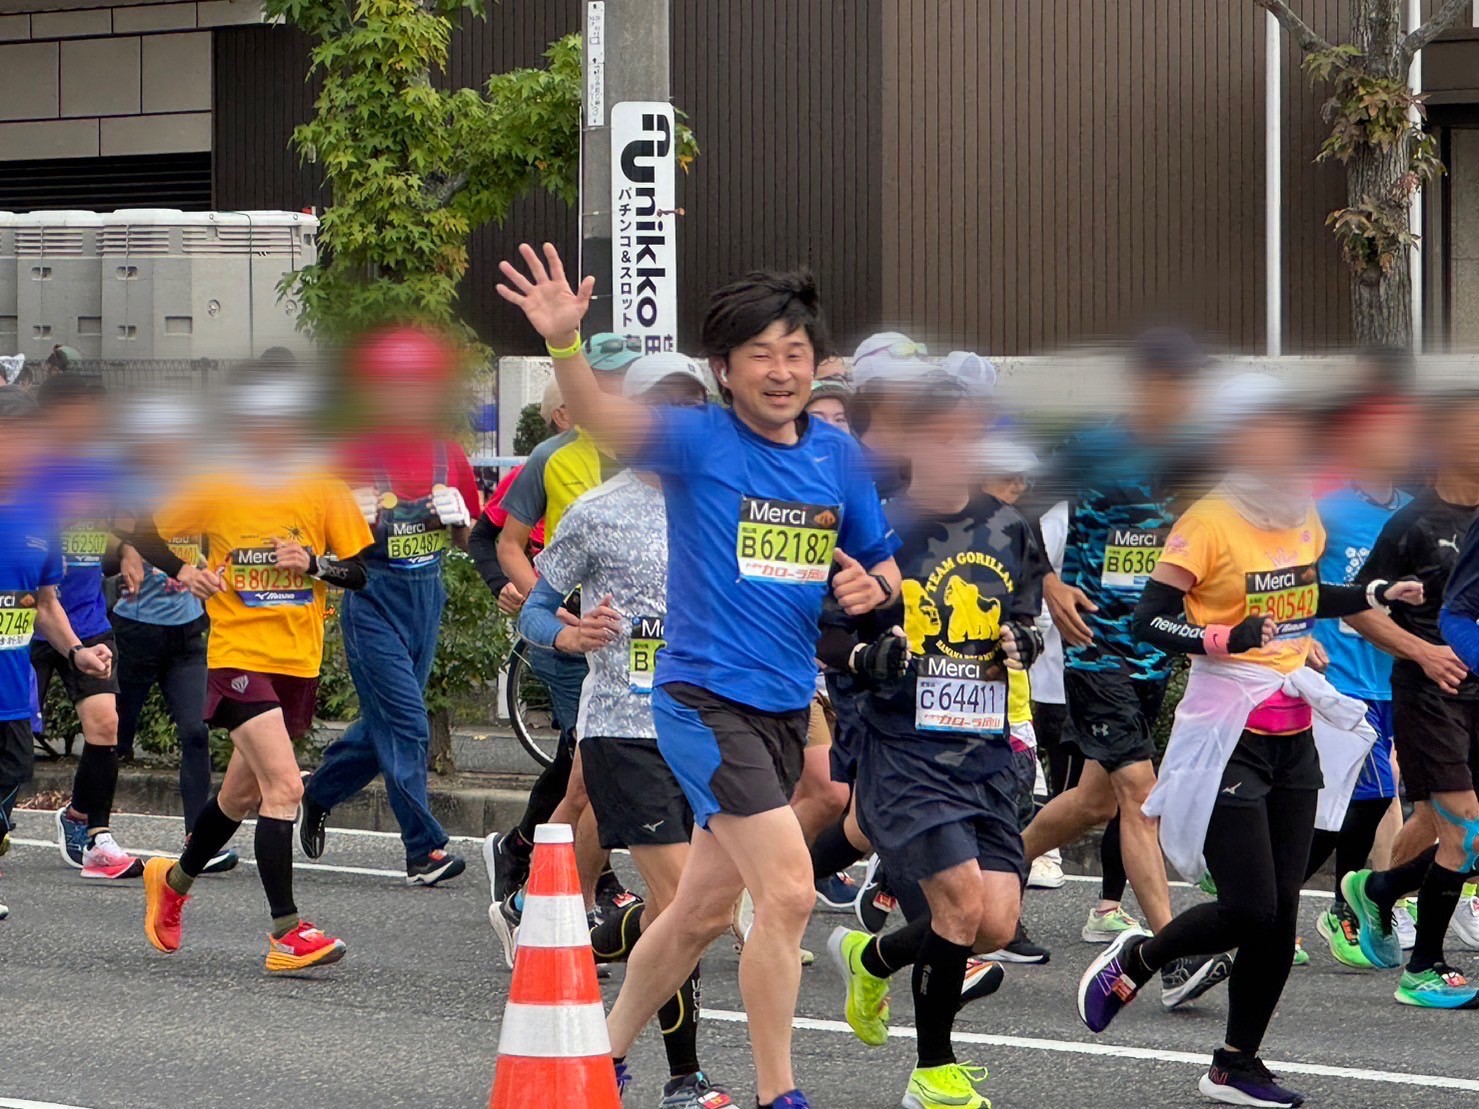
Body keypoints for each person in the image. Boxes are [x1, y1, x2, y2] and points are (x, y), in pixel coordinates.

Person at [497, 242, 900, 1109]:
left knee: (699, 911)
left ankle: (598, 1056)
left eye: (795, 352)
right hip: (701, 700)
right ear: (723, 369)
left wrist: (875, 586)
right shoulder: (697, 439)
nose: (781, 371)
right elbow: (602, 418)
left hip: (785, 702)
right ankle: (777, 1092)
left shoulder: (836, 456)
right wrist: (564, 342)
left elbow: (879, 563)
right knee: (787, 891)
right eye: (760, 354)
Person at [1078, 371, 1423, 1107]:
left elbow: (1303, 595)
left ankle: (1235, 1064)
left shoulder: (1301, 513)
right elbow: (1148, 617)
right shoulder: (1209, 518)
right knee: (1249, 908)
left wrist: (1374, 594)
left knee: (1281, 911)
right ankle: (1140, 958)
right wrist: (1222, 636)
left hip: (1293, 731)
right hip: (1226, 729)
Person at [821, 380, 1043, 1109]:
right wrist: (866, 658)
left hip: (983, 747)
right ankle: (933, 1072)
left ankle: (873, 956)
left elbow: (1025, 618)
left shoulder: (1010, 527)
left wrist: (1024, 640)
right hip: (904, 748)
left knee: (994, 922)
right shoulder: (877, 528)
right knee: (957, 904)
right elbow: (822, 633)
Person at [518, 352, 727, 1108]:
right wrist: (569, 635)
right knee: (687, 904)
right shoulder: (597, 510)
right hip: (623, 729)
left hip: (709, 730)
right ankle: (682, 1077)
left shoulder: (727, 502)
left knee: (697, 910)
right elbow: (533, 610)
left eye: (690, 405)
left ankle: (612, 941)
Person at [135, 371, 375, 973]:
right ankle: (286, 933)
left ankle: (173, 882)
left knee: (240, 795)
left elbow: (360, 572)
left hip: (297, 662)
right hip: (238, 656)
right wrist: (186, 571)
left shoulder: (324, 486)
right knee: (286, 787)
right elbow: (140, 527)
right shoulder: (218, 482)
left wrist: (313, 563)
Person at [1018, 328, 1230, 1007]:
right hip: (1094, 646)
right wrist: (1049, 583)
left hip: (1152, 649)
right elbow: (1013, 515)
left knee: (1093, 801)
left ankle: (995, 867)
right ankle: (1169, 956)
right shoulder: (1092, 447)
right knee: (1141, 793)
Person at [299, 327, 481, 886]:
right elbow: (316, 550)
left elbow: (467, 539)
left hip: (426, 598)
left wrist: (460, 521)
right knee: (407, 722)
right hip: (371, 601)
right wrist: (345, 522)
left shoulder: (449, 453)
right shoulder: (351, 455)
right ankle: (423, 850)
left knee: (385, 725)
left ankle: (317, 792)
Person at [482, 334, 640, 926]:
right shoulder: (552, 455)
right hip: (574, 640)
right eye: (606, 382)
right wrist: (544, 602)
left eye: (628, 382)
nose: (617, 393)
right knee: (588, 775)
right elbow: (503, 542)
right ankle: (560, 898)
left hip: (642, 648)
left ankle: (530, 871)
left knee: (585, 777)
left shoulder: (657, 454)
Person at [1341, 391, 1479, 1004]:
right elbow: (1357, 608)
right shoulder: (1413, 524)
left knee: (1454, 829)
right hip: (1429, 692)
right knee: (1465, 829)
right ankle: (1423, 968)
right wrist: (1422, 651)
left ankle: (1378, 890)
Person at [1305, 396, 1423, 967]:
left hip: (1393, 678)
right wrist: (1302, 636)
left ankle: (1282, 900)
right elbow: (1294, 576)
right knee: (1371, 793)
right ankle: (1340, 907)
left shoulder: (1415, 514)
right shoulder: (1325, 509)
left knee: (1344, 806)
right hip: (1339, 679)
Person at [0, 386, 115, 918]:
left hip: (11, 691)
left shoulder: (38, 518)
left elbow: (45, 603)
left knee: (12, 776)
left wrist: (76, 652)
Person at [112, 401, 236, 874]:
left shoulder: (201, 489)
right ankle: (86, 821)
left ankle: (198, 840)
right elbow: (128, 536)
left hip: (187, 633)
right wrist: (127, 549)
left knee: (196, 732)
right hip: (136, 630)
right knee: (115, 738)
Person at [31, 373, 144, 879]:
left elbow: (111, 535)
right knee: (11, 738)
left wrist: (129, 549)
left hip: (87, 618)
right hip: (27, 619)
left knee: (105, 725)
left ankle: (93, 832)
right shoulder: (25, 469)